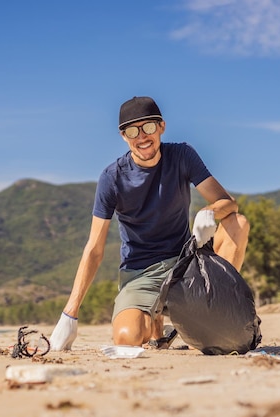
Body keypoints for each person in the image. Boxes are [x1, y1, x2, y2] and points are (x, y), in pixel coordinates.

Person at [49, 96, 249, 351]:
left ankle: (217, 311)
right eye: (133, 130)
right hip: (140, 274)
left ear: (162, 127)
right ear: (123, 136)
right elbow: (94, 249)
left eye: (149, 127)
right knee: (126, 338)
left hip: (185, 265)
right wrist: (70, 314)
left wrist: (208, 212)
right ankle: (157, 324)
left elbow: (229, 203)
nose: (142, 136)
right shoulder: (112, 178)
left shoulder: (182, 156)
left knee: (238, 224)